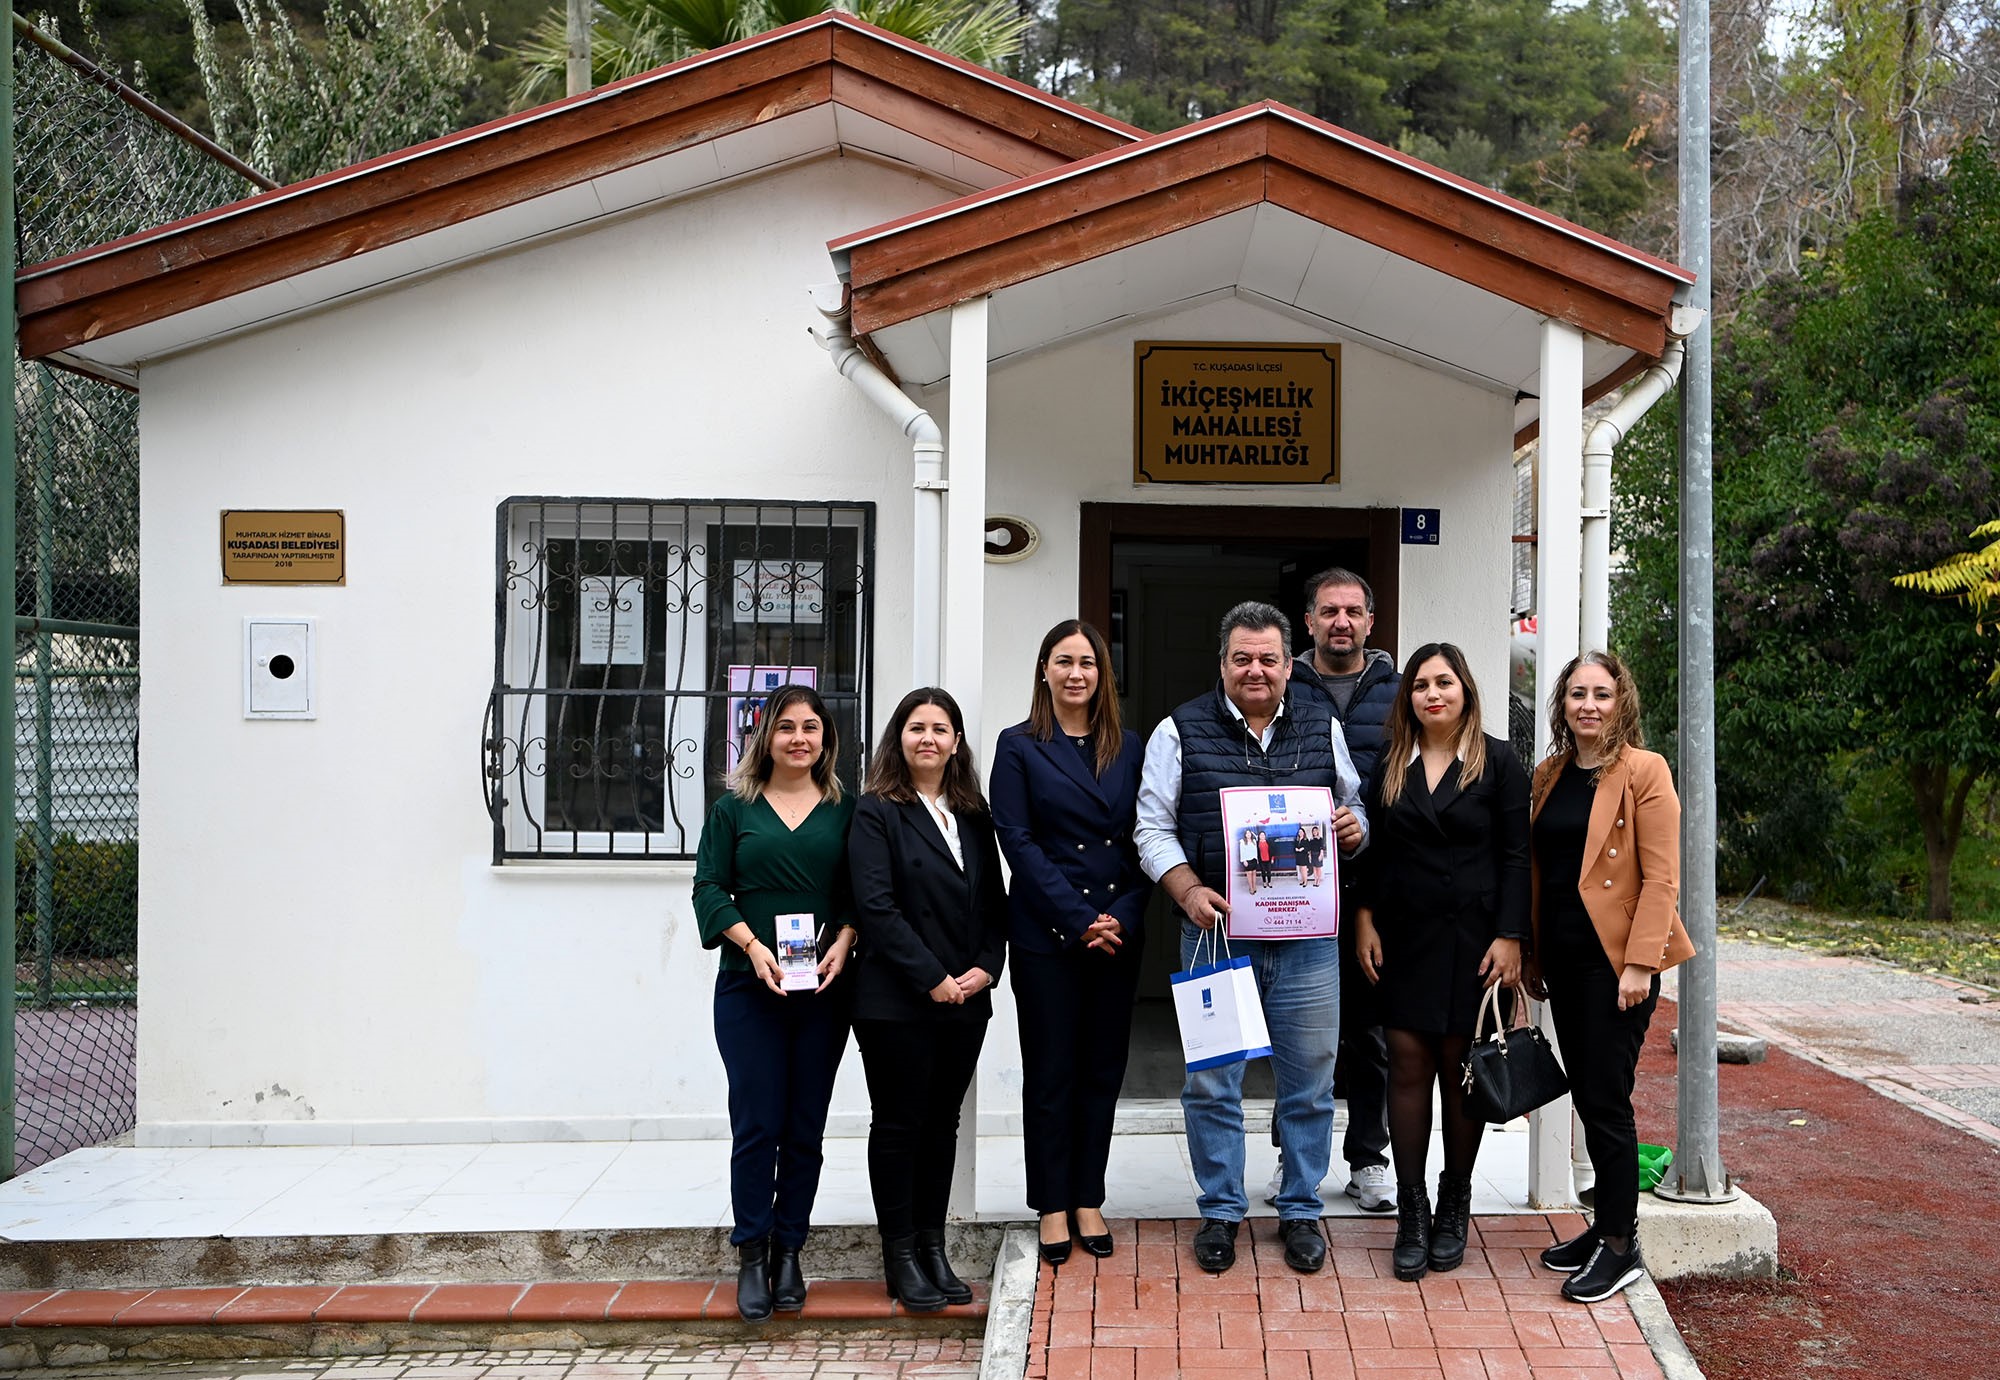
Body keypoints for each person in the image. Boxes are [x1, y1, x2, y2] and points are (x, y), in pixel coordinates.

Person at [1135, 601, 1369, 1276]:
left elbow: (1352, 809)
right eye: (1243, 658)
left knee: (1310, 1086)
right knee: (1213, 1084)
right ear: (1223, 665)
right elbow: (1151, 826)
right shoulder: (1179, 730)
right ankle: (1221, 1210)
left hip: (1307, 943)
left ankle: (1300, 1209)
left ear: (1289, 665)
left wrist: (1356, 829)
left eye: (1269, 658)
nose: (1256, 670)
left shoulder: (1322, 725)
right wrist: (1184, 888)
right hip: (1217, 940)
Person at [1352, 644, 1529, 1281]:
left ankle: (1455, 1200)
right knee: (1405, 1064)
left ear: (1465, 690)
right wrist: (1365, 915)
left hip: (1476, 941)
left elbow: (1517, 854)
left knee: (1462, 1072)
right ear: (1409, 697)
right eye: (1422, 684)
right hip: (1405, 936)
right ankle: (1414, 1211)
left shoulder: (1501, 760)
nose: (1433, 693)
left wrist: (1511, 935)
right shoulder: (1391, 762)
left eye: (1444, 682)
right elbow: (1373, 848)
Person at [1528, 651, 1695, 1303]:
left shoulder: (1644, 772)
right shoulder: (1549, 774)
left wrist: (1638, 964)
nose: (1588, 705)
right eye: (1577, 694)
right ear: (1562, 705)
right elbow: (1542, 871)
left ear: (1621, 700)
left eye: (1601, 693)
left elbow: (1661, 878)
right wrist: (1536, 957)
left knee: (1606, 1101)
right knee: (1591, 1097)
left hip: (1616, 966)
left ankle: (1622, 1247)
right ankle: (1604, 1227)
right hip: (1564, 960)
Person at [692, 684, 858, 1321]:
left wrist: (845, 941)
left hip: (821, 989)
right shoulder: (734, 809)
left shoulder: (847, 811)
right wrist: (753, 946)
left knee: (805, 1126)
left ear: (825, 739)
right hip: (747, 987)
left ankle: (791, 1251)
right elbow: (708, 886)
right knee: (758, 1122)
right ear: (765, 737)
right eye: (785, 727)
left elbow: (858, 891)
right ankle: (753, 1253)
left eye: (810, 727)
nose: (798, 738)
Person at [990, 620, 1151, 1266]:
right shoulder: (1018, 745)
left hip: (1117, 934)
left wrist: (1122, 915)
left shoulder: (1130, 747)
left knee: (1102, 1072)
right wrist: (1079, 916)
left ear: (1102, 675)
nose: (1076, 673)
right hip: (1047, 935)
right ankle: (1053, 1204)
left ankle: (1089, 1197)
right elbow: (1017, 842)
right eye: (1064, 661)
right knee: (1052, 1074)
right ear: (1045, 671)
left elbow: (1149, 837)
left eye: (1087, 662)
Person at [848, 687, 1009, 1312]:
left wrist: (985, 970)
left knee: (943, 1124)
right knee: (899, 1124)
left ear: (957, 742)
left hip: (966, 998)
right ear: (900, 737)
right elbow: (876, 907)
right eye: (917, 728)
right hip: (897, 1001)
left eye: (941, 729)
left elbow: (994, 901)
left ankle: (933, 1247)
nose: (929, 739)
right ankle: (900, 1256)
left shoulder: (972, 813)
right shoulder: (876, 810)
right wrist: (932, 977)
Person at [1274, 568, 1401, 1213]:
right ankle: (1290, 1157)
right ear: (1310, 621)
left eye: (1353, 611)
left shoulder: (1401, 693)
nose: (1341, 622)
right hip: (1294, 887)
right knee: (1294, 1030)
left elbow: (1408, 793)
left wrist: (1368, 832)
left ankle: (1369, 1159)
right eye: (1329, 612)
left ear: (1370, 622)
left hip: (1373, 889)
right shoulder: (1280, 685)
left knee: (1370, 1034)